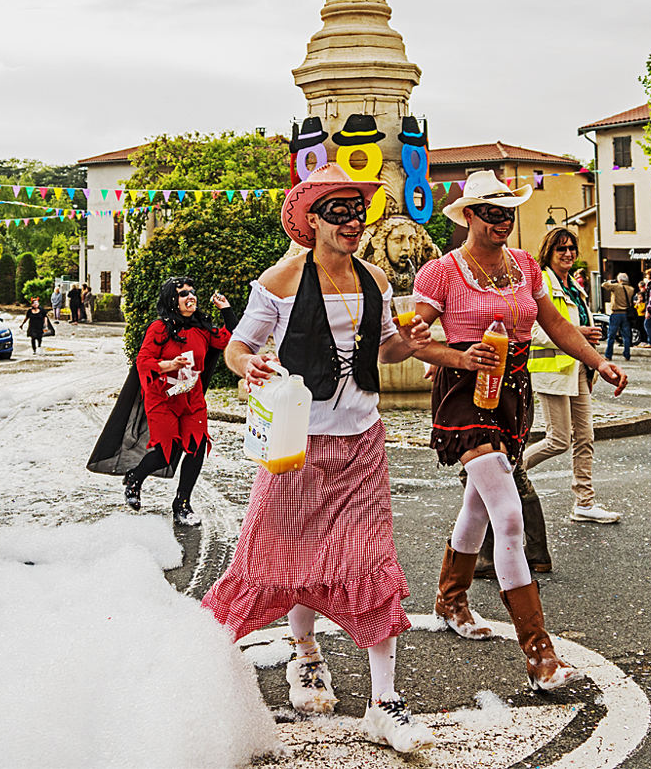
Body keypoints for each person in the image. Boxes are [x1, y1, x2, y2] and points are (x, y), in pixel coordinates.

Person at [201, 164, 436, 754]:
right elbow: (237, 347)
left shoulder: (376, 278)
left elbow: (385, 345)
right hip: (295, 444)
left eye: (359, 211)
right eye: (339, 211)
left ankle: (385, 702)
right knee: (275, 562)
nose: (353, 221)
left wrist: (417, 337)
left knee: (369, 561)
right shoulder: (279, 280)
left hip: (362, 440)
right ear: (311, 220)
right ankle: (301, 655)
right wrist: (246, 366)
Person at [409, 170, 627, 691]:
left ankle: (450, 597)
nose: (504, 220)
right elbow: (416, 342)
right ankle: (540, 654)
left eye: (510, 212)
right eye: (493, 212)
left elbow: (555, 325)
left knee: (480, 505)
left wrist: (601, 362)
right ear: (468, 216)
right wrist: (456, 355)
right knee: (507, 512)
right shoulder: (442, 272)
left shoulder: (526, 265)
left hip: (514, 393)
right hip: (465, 392)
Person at [88, 277, 235, 526]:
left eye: (192, 292)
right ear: (171, 300)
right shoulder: (159, 328)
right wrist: (170, 365)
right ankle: (135, 477)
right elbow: (143, 361)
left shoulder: (201, 327)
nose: (191, 297)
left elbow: (229, 338)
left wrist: (227, 310)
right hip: (162, 397)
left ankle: (182, 505)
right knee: (165, 454)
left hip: (192, 397)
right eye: (183, 294)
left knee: (197, 447)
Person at [524, 228, 622, 525]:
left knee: (585, 437)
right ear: (548, 252)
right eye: (561, 249)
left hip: (579, 369)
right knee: (558, 440)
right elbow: (533, 332)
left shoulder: (574, 287)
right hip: (552, 372)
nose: (567, 254)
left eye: (571, 249)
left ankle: (584, 502)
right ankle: (505, 474)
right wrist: (576, 332)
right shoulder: (540, 282)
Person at [601, 272, 635, 362]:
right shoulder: (631, 289)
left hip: (616, 313)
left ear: (619, 279)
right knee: (626, 336)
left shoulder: (616, 286)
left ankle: (608, 355)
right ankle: (627, 355)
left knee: (611, 335)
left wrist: (612, 281)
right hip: (626, 314)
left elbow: (604, 285)